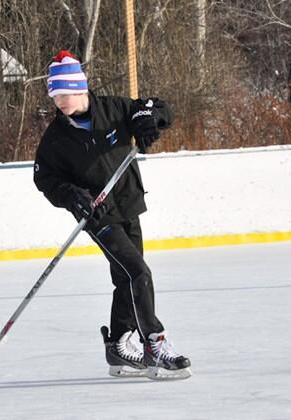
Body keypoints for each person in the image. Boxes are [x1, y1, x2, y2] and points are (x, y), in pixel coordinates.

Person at [33, 50, 191, 380]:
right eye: (55, 95)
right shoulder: (56, 138)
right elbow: (44, 178)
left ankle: (119, 344)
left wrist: (150, 121)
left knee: (126, 276)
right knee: (137, 271)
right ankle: (154, 342)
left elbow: (159, 108)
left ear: (80, 89)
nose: (59, 101)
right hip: (97, 214)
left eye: (64, 93)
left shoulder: (114, 108)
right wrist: (72, 196)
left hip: (128, 203)